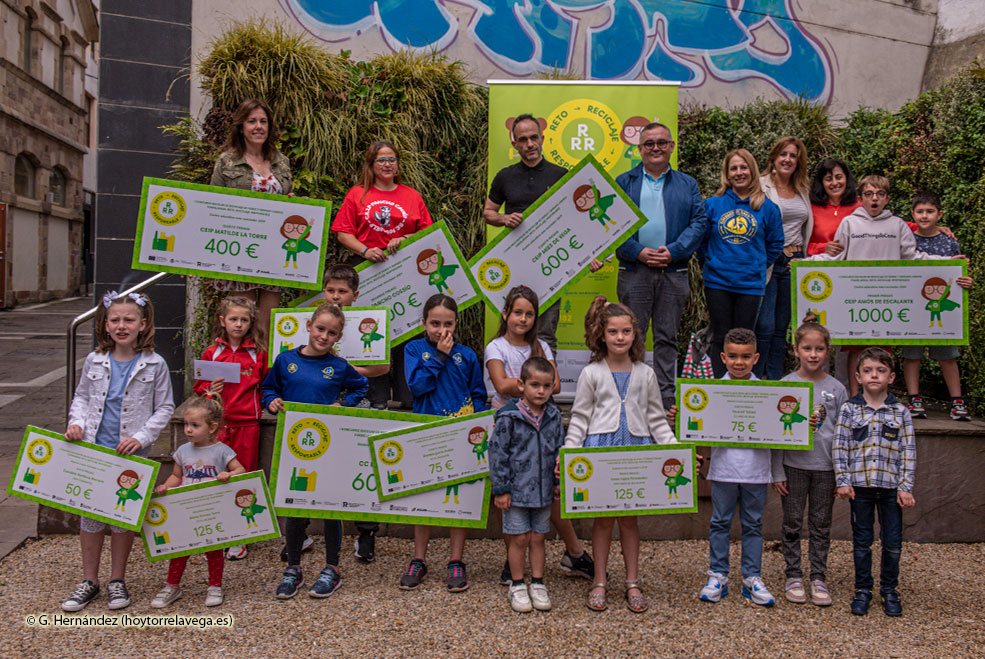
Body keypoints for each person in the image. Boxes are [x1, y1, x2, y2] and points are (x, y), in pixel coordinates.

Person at [62, 292, 175, 612]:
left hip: (131, 456)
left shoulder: (156, 365)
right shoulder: (94, 361)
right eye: (115, 320)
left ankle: (117, 580)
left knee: (122, 518)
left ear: (143, 324)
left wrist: (141, 437)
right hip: (95, 451)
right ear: (105, 325)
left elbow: (164, 407)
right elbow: (81, 399)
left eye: (129, 320)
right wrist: (76, 424)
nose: (121, 325)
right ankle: (89, 580)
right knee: (91, 517)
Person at [563, 296, 676, 613]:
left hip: (636, 450)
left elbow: (656, 419)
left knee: (629, 520)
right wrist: (569, 454)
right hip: (601, 450)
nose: (620, 337)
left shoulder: (646, 373)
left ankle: (632, 582)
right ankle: (599, 580)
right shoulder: (591, 373)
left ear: (634, 335)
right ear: (602, 335)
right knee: (603, 521)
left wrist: (673, 452)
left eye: (626, 331)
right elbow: (580, 419)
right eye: (613, 332)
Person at [805, 175, 958, 394]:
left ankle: (880, 396)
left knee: (883, 351)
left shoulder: (897, 225)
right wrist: (806, 264)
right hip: (855, 299)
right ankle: (857, 397)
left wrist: (946, 263)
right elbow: (836, 257)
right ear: (861, 198)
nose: (874, 199)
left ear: (887, 198)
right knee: (855, 349)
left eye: (880, 194)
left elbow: (913, 257)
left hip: (888, 300)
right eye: (868, 194)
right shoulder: (849, 223)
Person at [484, 286, 594, 585]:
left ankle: (572, 554)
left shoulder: (541, 347)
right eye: (517, 312)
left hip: (543, 424)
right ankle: (512, 560)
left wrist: (526, 385)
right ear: (505, 313)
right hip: (509, 426)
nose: (523, 319)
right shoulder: (496, 347)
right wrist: (535, 385)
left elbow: (556, 386)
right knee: (507, 497)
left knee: (548, 490)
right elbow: (500, 385)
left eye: (529, 314)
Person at [262, 303, 369, 600]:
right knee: (296, 504)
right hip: (295, 447)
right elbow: (268, 390)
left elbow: (361, 387)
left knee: (329, 505)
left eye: (331, 332)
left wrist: (343, 405)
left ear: (338, 337)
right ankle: (293, 568)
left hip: (329, 446)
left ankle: (331, 569)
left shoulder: (339, 366)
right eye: (320, 328)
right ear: (308, 326)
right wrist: (271, 401)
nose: (324, 336)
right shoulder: (285, 361)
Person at [614, 122, 709, 409]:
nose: (655, 148)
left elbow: (699, 222)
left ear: (671, 147)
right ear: (639, 149)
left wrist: (675, 251)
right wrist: (638, 251)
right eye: (649, 144)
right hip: (635, 271)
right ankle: (629, 397)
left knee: (667, 338)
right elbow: (611, 225)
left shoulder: (687, 184)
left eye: (661, 142)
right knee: (630, 337)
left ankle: (666, 399)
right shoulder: (624, 182)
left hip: (673, 270)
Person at [331, 141, 433, 409]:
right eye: (381, 160)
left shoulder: (412, 196)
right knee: (370, 330)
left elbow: (429, 234)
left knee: (408, 329)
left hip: (405, 271)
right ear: (371, 165)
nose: (387, 164)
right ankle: (374, 398)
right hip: (368, 270)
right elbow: (342, 232)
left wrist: (405, 237)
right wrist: (365, 250)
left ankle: (408, 398)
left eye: (392, 159)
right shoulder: (357, 194)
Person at [400, 295, 488, 592]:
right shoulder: (414, 349)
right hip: (426, 432)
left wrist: (473, 422)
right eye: (435, 323)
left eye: (447, 324)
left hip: (461, 434)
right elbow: (417, 386)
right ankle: (419, 558)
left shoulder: (467, 355)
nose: (441, 330)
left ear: (456, 323)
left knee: (459, 497)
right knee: (424, 497)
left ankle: (456, 560)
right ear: (423, 322)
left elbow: (478, 393)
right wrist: (438, 355)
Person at [771, 314, 848, 606]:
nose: (813, 354)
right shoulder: (784, 385)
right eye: (807, 348)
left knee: (820, 523)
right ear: (795, 350)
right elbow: (774, 433)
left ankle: (818, 576)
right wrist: (777, 470)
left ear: (827, 351)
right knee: (792, 523)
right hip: (793, 468)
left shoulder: (837, 389)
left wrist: (842, 475)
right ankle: (793, 574)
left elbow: (843, 436)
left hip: (826, 469)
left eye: (819, 349)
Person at [834, 348, 916, 617]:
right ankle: (863, 589)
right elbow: (840, 447)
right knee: (862, 541)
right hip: (860, 489)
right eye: (868, 371)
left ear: (891, 377)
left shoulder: (900, 412)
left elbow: (908, 450)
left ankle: (890, 589)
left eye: (880, 371)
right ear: (858, 376)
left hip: (891, 489)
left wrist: (905, 486)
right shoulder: (849, 410)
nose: (874, 375)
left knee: (892, 542)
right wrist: (843, 480)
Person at [319, 262, 393, 559]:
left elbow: (383, 367)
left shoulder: (372, 321)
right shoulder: (313, 323)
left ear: (355, 294)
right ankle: (303, 531)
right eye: (331, 290)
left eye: (342, 291)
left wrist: (346, 369)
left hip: (366, 403)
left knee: (364, 469)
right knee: (319, 469)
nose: (336, 296)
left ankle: (366, 533)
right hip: (323, 404)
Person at [698, 328, 775, 607]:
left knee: (753, 524)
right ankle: (717, 575)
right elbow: (696, 426)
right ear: (723, 357)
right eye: (732, 356)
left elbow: (783, 429)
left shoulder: (769, 393)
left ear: (755, 358)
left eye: (745, 357)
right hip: (723, 469)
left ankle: (751, 578)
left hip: (756, 470)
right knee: (719, 522)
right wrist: (684, 414)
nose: (738, 362)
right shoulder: (711, 392)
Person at [208, 99, 294, 343]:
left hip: (274, 252)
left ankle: (261, 378)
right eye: (252, 121)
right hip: (240, 251)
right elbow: (212, 206)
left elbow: (288, 203)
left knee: (266, 326)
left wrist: (296, 205)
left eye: (263, 121)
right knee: (239, 319)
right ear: (241, 126)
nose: (258, 127)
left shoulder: (281, 161)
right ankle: (237, 375)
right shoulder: (226, 161)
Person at [150, 397, 245, 608]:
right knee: (180, 548)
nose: (188, 430)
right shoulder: (183, 451)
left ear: (212, 427)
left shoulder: (222, 450)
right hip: (187, 509)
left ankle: (214, 585)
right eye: (186, 425)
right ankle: (172, 585)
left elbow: (240, 470)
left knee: (214, 548)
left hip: (212, 509)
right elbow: (177, 475)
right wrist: (166, 486)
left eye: (195, 425)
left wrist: (228, 474)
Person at [192, 295, 268, 561]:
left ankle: (240, 536)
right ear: (223, 321)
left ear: (250, 323)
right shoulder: (211, 353)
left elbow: (267, 385)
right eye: (233, 319)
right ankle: (212, 532)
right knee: (213, 477)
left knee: (243, 478)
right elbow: (199, 388)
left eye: (244, 320)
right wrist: (209, 391)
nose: (238, 324)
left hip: (247, 424)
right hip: (218, 426)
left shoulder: (257, 353)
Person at [483, 114, 567, 353]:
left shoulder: (561, 175)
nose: (529, 144)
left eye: (533, 138)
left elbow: (577, 219)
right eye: (523, 139)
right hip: (516, 263)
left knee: (546, 333)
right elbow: (488, 212)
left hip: (554, 263)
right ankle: (514, 388)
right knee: (514, 328)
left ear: (542, 138)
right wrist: (503, 218)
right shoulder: (505, 176)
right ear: (515, 145)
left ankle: (543, 389)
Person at [700, 150, 784, 377]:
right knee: (721, 337)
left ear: (752, 171)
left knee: (745, 339)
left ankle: (743, 391)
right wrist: (712, 262)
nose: (739, 173)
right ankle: (720, 389)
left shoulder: (768, 207)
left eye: (743, 167)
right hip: (718, 281)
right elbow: (702, 240)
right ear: (727, 174)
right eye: (734, 169)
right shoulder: (713, 204)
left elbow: (776, 244)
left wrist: (756, 264)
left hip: (750, 284)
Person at [490, 357, 564, 612]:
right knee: (519, 538)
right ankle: (518, 584)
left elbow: (558, 452)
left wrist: (557, 482)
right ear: (521, 384)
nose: (541, 391)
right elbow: (498, 453)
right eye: (535, 385)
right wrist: (501, 489)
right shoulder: (508, 417)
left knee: (538, 538)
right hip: (516, 491)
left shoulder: (554, 416)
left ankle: (538, 583)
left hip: (543, 492)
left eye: (547, 386)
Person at [903, 192, 973, 421]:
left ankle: (957, 401)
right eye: (920, 211)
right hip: (912, 310)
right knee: (912, 355)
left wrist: (966, 281)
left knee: (948, 355)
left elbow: (958, 276)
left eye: (930, 211)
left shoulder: (949, 242)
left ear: (939, 214)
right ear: (912, 214)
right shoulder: (906, 241)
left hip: (942, 313)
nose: (925, 216)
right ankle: (914, 398)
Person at [754, 137, 814, 379]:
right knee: (764, 325)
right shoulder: (759, 185)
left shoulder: (803, 189)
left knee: (782, 328)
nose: (788, 159)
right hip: (769, 260)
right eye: (784, 154)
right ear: (774, 158)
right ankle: (756, 380)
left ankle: (776, 381)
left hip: (795, 261)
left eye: (793, 156)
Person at [806, 158, 860, 256]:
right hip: (820, 267)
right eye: (828, 179)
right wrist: (823, 248)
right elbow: (802, 243)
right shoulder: (810, 208)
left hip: (853, 267)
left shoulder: (860, 207)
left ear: (846, 179)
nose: (834, 183)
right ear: (821, 183)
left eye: (839, 177)